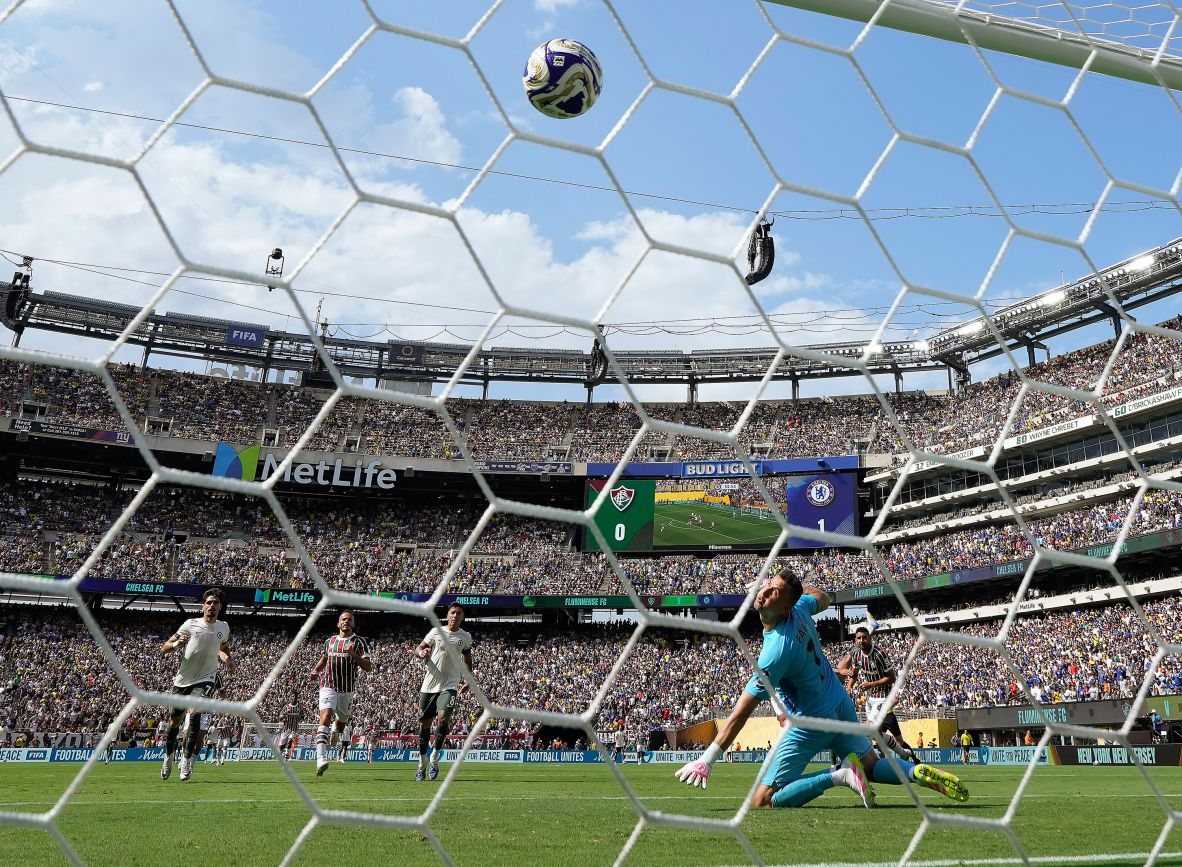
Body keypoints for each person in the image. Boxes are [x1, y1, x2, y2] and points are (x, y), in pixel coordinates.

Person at [674, 569, 968, 808]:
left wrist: (706, 759)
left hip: (810, 721)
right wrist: (791, 587)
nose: (763, 592)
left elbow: (741, 712)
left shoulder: (776, 651)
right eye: (766, 586)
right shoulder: (800, 607)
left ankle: (838, 775)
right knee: (870, 764)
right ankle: (915, 772)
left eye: (773, 591)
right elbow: (822, 596)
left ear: (785, 605)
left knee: (762, 800)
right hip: (840, 704)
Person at [159, 588, 233, 783]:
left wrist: (227, 659)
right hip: (182, 681)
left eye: (216, 603)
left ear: (220, 607)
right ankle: (167, 758)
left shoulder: (223, 628)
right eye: (209, 602)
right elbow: (165, 647)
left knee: (194, 712)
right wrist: (177, 644)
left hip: (206, 679)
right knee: (175, 721)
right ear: (203, 606)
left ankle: (186, 761)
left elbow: (223, 648)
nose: (212, 606)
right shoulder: (190, 625)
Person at [835, 626, 917, 762]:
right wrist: (849, 687)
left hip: (883, 697)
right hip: (870, 698)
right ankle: (902, 753)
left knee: (867, 729)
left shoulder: (879, 654)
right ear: (855, 640)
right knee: (876, 735)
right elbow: (854, 674)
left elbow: (891, 677)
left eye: (864, 637)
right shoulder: (856, 653)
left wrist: (871, 684)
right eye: (858, 638)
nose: (861, 640)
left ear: (870, 638)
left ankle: (869, 761)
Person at [414, 602, 473, 782]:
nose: (455, 616)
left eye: (459, 613)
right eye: (453, 612)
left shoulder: (465, 637)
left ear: (463, 617)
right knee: (424, 725)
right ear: (447, 615)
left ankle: (434, 757)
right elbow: (418, 649)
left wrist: (468, 679)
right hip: (429, 686)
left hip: (450, 685)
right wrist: (421, 653)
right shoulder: (435, 632)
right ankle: (421, 763)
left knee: (443, 717)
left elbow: (468, 660)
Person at [310, 610, 373, 776]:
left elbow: (368, 667)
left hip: (347, 690)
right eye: (343, 619)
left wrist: (353, 654)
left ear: (353, 624)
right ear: (338, 623)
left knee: (341, 723)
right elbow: (324, 659)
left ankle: (334, 731)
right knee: (325, 715)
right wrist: (316, 671)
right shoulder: (329, 641)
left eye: (349, 620)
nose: (346, 621)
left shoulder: (359, 642)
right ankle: (321, 759)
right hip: (328, 686)